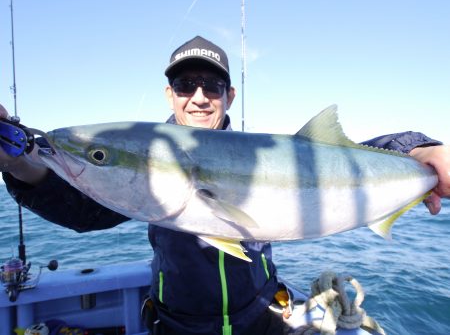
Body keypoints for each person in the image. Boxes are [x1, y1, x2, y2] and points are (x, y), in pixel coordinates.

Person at [1, 35, 449, 335]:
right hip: (178, 323)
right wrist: (20, 166)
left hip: (262, 316)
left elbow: (347, 157)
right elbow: (84, 210)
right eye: (184, 85)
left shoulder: (264, 152)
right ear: (169, 94)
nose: (198, 97)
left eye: (212, 86)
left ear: (229, 96)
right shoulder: (145, 174)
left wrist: (419, 150)